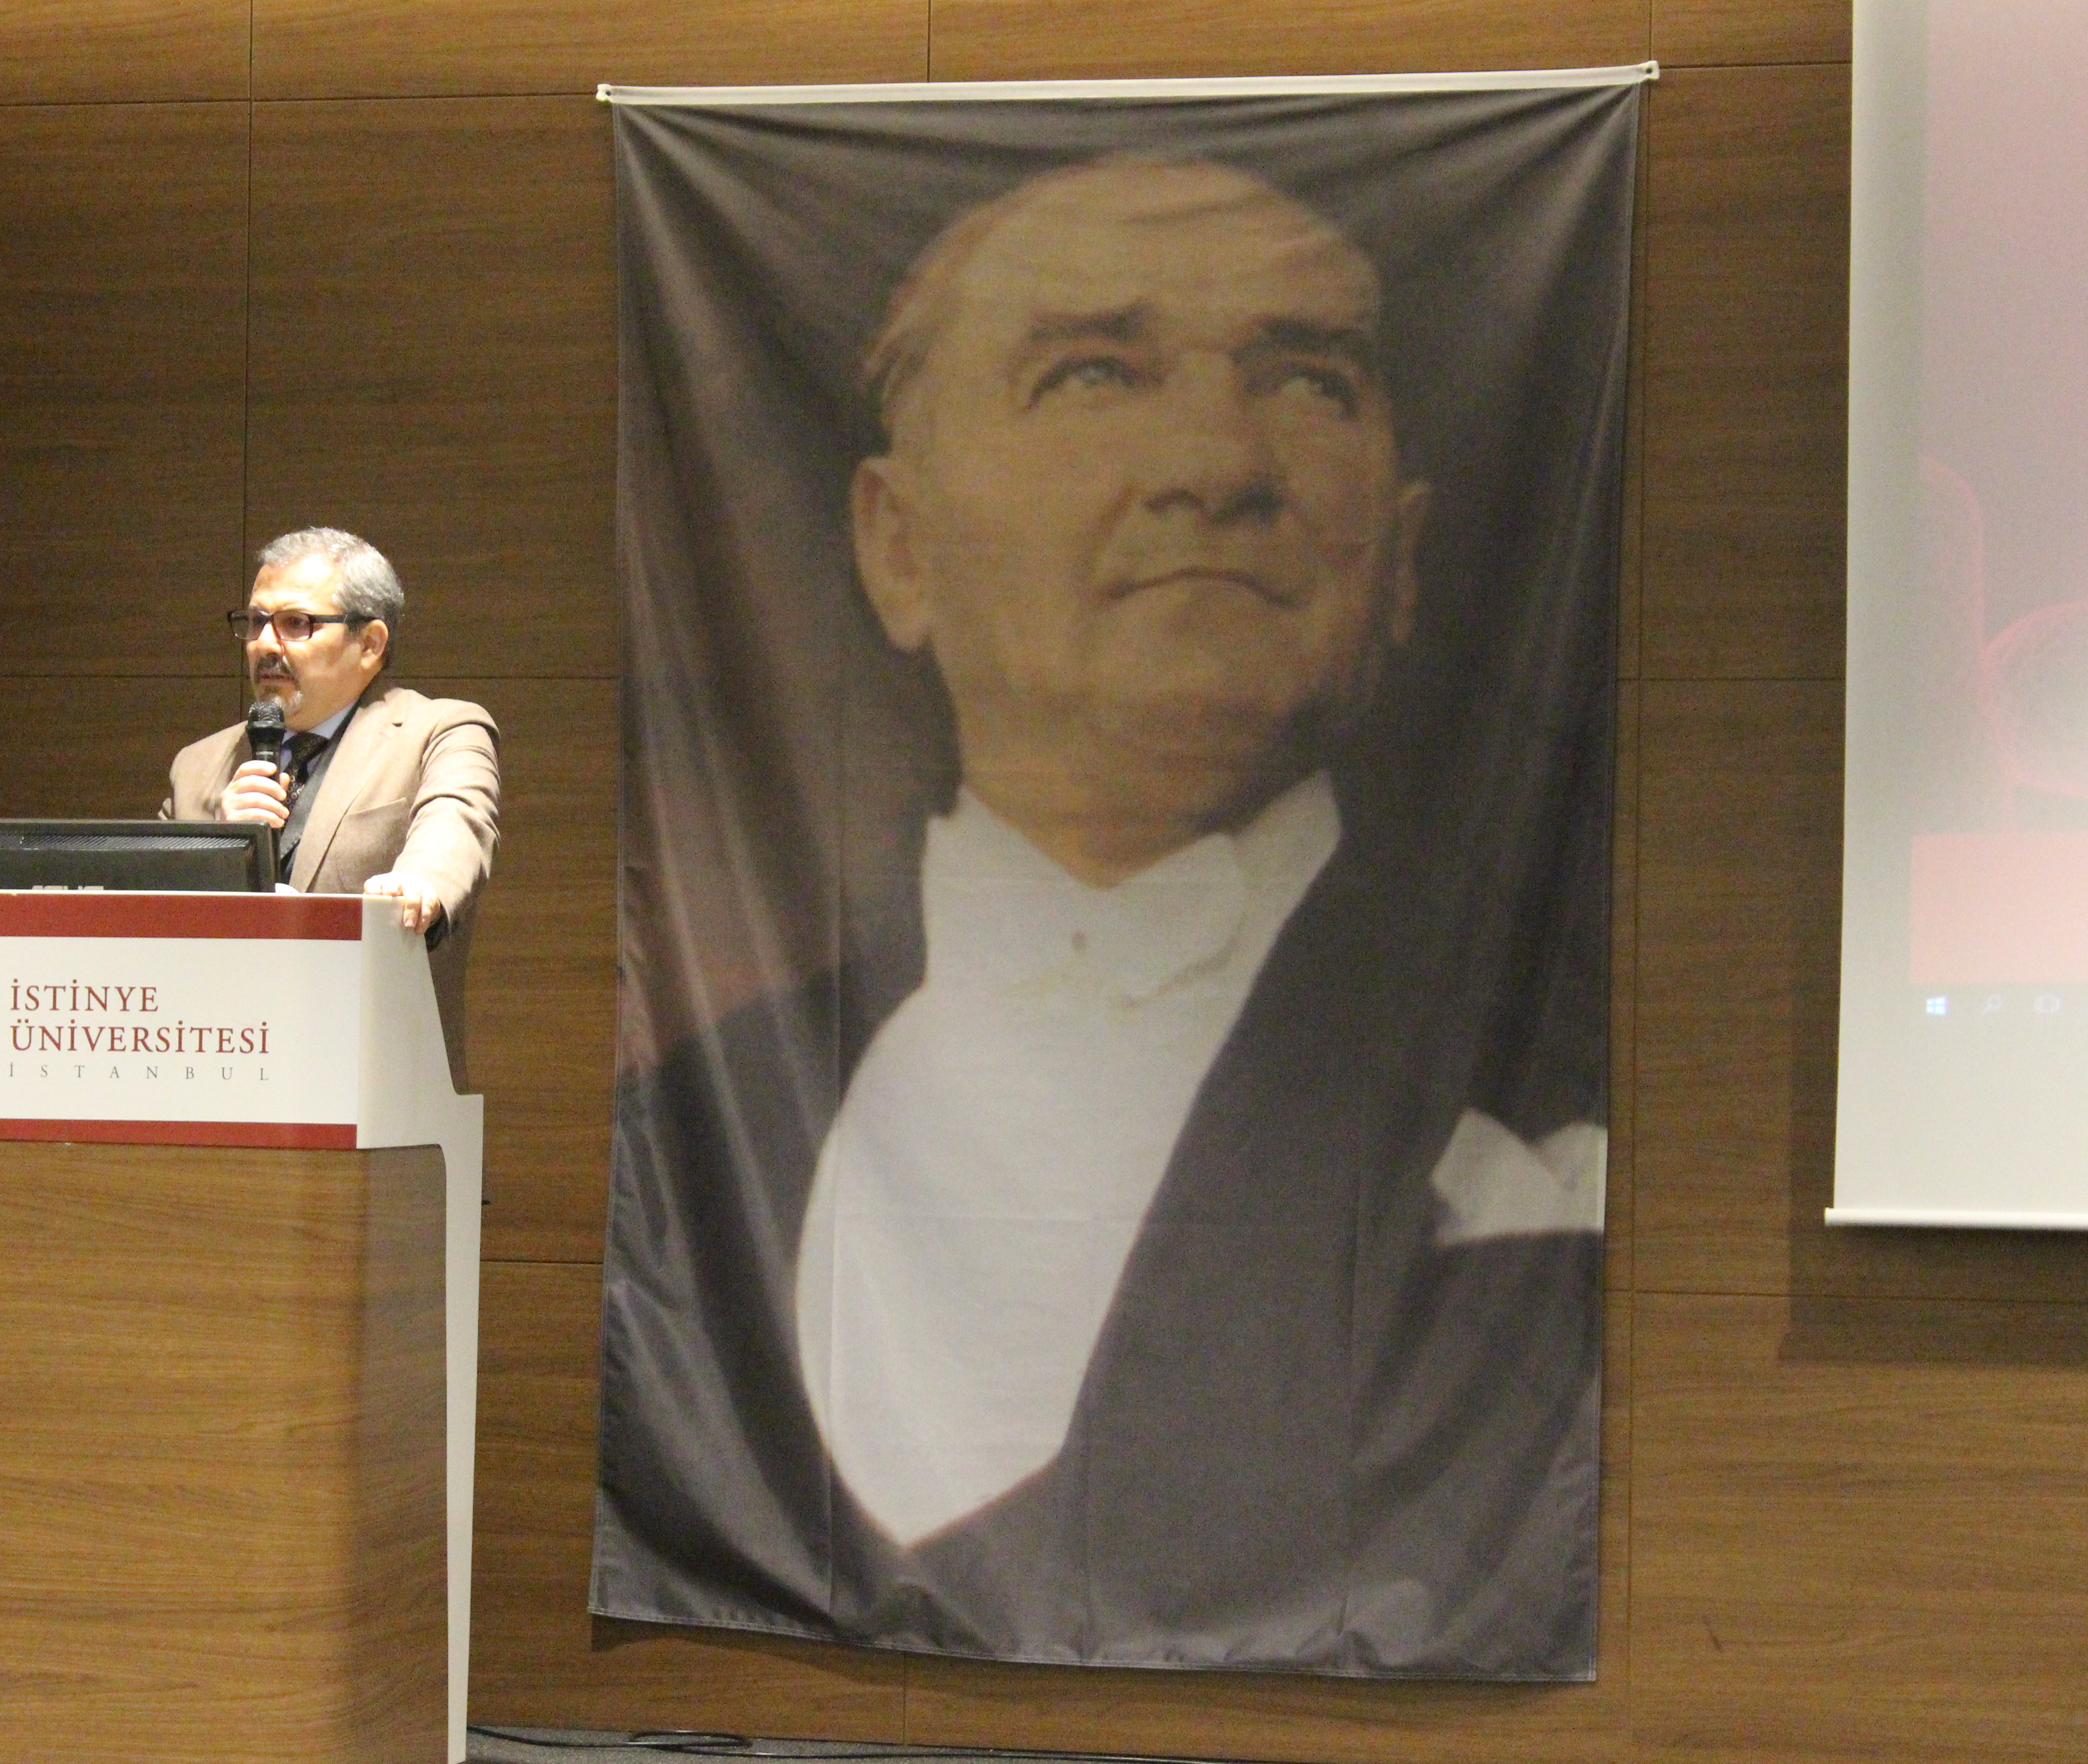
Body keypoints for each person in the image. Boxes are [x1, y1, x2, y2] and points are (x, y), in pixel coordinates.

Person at [593, 158, 1607, 1674]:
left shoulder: (1564, 1088)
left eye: (1309, 383)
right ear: (898, 546)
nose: (1216, 463)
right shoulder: (686, 1148)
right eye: (1092, 375)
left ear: (1400, 558)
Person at [162, 527, 499, 1077]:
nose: (266, 644)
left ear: (370, 644)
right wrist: (218, 850)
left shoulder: (439, 731)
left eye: (296, 623)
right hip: (212, 1073)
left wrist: (419, 885)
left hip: (371, 1081)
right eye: (256, 622)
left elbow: (456, 822)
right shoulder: (198, 766)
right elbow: (148, 921)